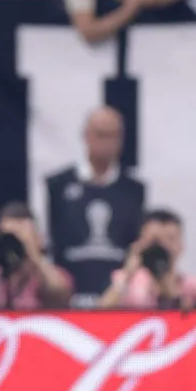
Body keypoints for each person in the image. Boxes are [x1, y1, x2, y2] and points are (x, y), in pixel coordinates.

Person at [45, 106, 144, 306]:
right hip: (67, 298)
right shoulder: (58, 185)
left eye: (114, 136)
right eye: (101, 135)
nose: (108, 143)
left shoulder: (134, 190)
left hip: (118, 300)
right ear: (86, 136)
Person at [0, 200, 72, 309]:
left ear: (37, 238)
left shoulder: (46, 275)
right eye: (9, 238)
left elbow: (61, 296)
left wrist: (34, 253)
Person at [100, 208, 196, 309]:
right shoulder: (120, 281)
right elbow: (101, 313)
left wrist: (171, 291)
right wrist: (128, 272)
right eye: (155, 240)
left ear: (181, 245)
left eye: (170, 239)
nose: (163, 246)